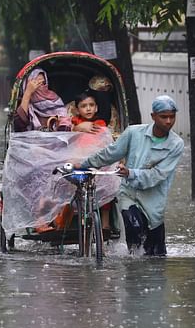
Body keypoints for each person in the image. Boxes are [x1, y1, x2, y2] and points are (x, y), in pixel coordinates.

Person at [75, 95, 184, 257]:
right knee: (134, 234)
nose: (168, 121)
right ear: (153, 116)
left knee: (156, 255)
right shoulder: (134, 133)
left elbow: (158, 175)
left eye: (171, 117)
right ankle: (133, 274)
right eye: (163, 117)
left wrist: (130, 173)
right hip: (129, 195)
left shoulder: (176, 144)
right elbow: (110, 153)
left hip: (153, 201)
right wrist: (85, 164)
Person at [12, 68, 71, 132]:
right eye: (36, 83)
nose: (41, 86)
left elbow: (65, 123)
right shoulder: (24, 103)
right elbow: (18, 126)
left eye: (43, 83)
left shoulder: (53, 98)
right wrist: (28, 93)